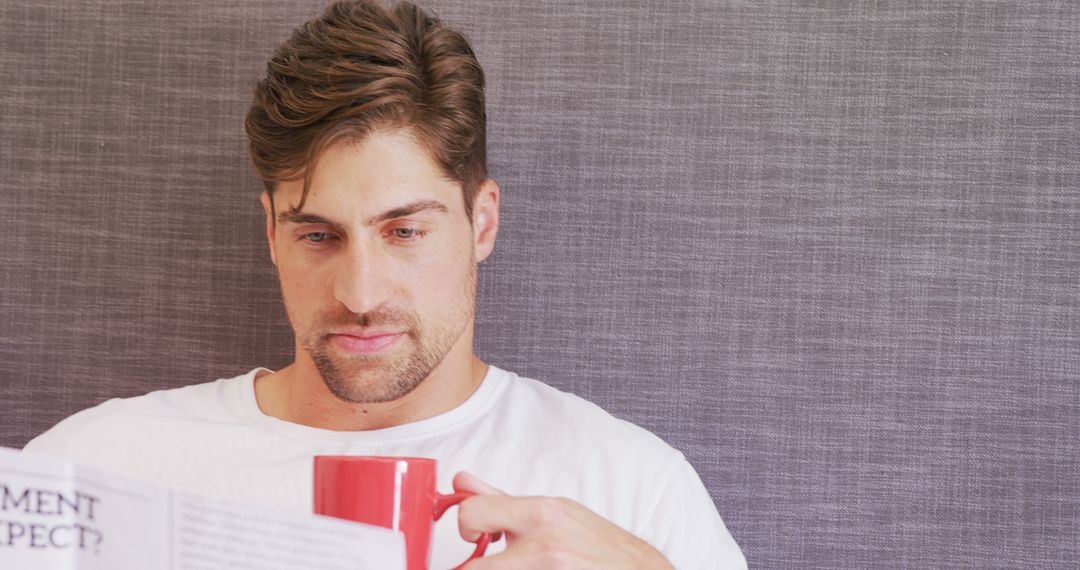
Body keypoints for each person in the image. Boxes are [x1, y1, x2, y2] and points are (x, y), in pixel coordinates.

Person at [23, 0, 746, 567]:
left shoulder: (632, 488)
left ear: (482, 223)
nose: (361, 294)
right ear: (272, 233)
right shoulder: (91, 472)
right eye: (318, 235)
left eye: (404, 231)